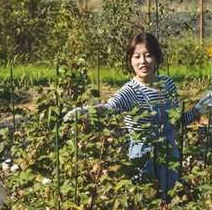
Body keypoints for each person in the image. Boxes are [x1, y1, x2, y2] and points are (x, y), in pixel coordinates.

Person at [69, 33, 184, 194]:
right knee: (145, 208)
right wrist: (85, 112)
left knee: (172, 204)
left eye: (148, 55)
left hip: (169, 158)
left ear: (157, 57)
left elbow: (176, 124)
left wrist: (198, 111)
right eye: (137, 56)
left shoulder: (168, 84)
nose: (143, 62)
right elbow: (108, 109)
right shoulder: (130, 91)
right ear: (130, 60)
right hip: (143, 161)